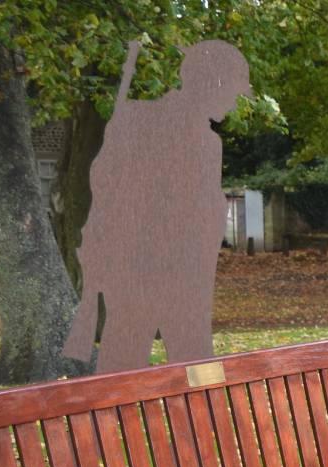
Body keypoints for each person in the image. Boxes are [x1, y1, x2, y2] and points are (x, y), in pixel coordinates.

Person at [63, 40, 251, 373]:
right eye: (232, 91)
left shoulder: (141, 121)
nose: (234, 102)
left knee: (184, 360)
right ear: (212, 84)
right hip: (154, 272)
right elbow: (106, 184)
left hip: (172, 274)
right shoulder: (150, 126)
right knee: (140, 359)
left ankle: (198, 408)